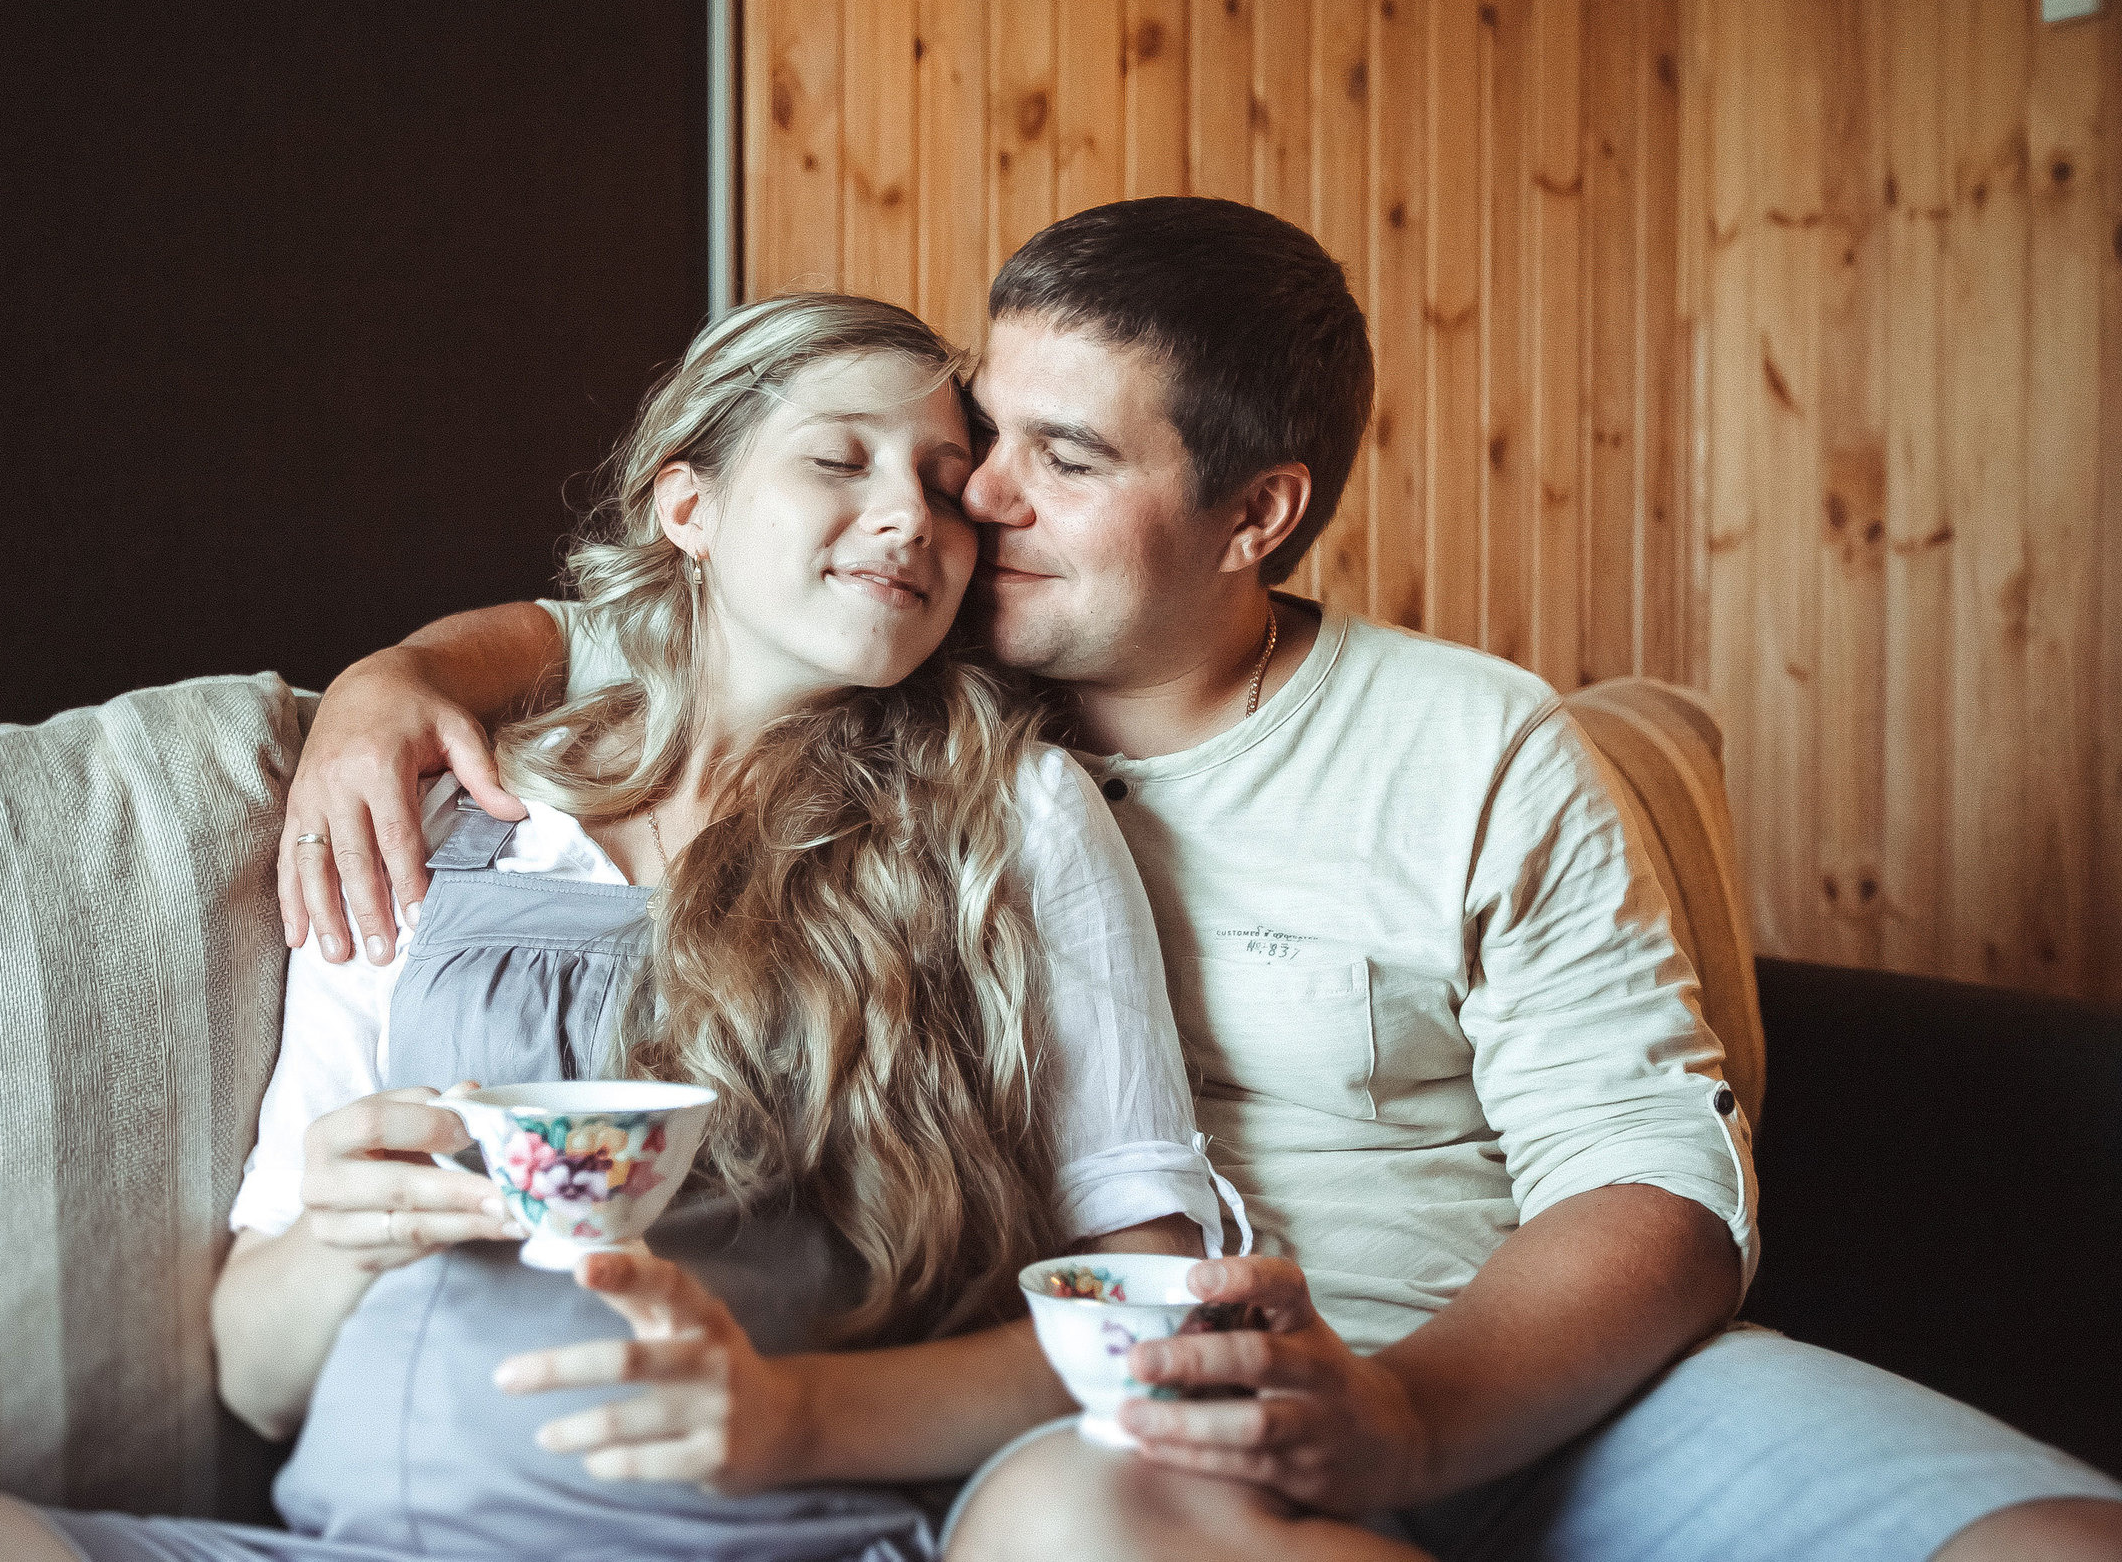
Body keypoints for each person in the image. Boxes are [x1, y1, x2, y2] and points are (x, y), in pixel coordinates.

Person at [279, 198, 2122, 1561]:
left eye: (1061, 459)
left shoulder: (1471, 742)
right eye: (983, 435)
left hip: (1508, 1378)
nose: (970, 500)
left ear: (1258, 516)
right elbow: (663, 617)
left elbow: (1656, 1178)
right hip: (1130, 1422)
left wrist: (1408, 1421)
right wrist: (398, 679)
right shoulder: (906, 680)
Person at [0, 294, 1345, 1562]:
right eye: (840, 460)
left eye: (948, 485)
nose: (908, 513)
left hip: (770, 1539)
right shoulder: (444, 808)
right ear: (689, 505)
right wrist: (339, 1234)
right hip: (350, 1547)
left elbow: (1142, 1312)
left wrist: (794, 1423)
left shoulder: (1004, 820)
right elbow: (260, 1381)